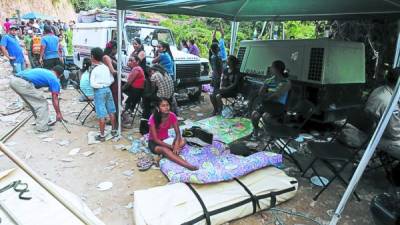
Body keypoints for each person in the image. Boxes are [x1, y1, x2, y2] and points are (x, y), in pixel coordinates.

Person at [9, 65, 64, 132]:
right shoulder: (54, 79)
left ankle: (40, 121)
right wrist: (58, 113)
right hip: (22, 83)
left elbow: (36, 84)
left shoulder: (46, 72)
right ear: (60, 75)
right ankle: (42, 127)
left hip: (14, 80)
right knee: (42, 103)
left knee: (34, 102)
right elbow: (55, 98)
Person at [148, 97, 198, 171]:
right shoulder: (152, 118)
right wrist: (172, 147)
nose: (166, 108)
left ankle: (168, 154)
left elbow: (178, 133)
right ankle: (188, 165)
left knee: (183, 140)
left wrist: (176, 145)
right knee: (165, 150)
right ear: (158, 107)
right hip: (155, 143)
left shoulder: (172, 115)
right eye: (163, 106)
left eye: (167, 105)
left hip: (166, 139)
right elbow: (156, 140)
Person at [251, 60, 291, 138]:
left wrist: (267, 95)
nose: (270, 68)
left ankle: (274, 133)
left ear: (277, 69)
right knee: (254, 115)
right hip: (267, 103)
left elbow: (276, 96)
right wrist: (269, 95)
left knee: (266, 116)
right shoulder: (269, 80)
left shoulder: (286, 82)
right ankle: (256, 130)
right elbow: (260, 93)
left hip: (278, 106)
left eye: (272, 67)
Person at [89, 47, 117, 141]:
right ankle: (113, 130)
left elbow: (92, 84)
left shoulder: (94, 70)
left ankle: (102, 135)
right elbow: (112, 79)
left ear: (92, 56)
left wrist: (100, 86)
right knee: (111, 111)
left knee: (101, 114)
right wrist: (106, 84)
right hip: (108, 89)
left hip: (99, 91)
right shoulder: (105, 67)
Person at [103, 40, 120, 120]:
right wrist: (120, 73)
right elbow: (113, 71)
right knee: (114, 99)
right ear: (114, 48)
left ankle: (115, 118)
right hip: (112, 82)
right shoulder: (107, 57)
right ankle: (115, 119)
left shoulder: (111, 57)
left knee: (116, 99)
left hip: (114, 80)